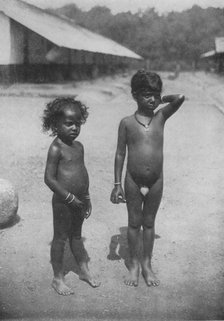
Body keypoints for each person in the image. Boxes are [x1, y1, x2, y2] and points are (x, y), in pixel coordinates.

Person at [110, 70, 185, 287]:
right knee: (134, 224)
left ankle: (147, 265)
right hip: (132, 180)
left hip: (156, 181)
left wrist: (161, 99)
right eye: (146, 94)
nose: (151, 99)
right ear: (134, 95)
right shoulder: (126, 123)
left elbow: (179, 98)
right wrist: (117, 185)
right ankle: (133, 265)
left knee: (149, 223)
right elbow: (120, 154)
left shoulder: (161, 117)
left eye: (155, 94)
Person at [42, 97, 100, 295]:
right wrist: (68, 197)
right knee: (60, 238)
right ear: (55, 124)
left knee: (76, 236)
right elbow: (49, 178)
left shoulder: (79, 147)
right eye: (68, 124)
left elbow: (82, 173)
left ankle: (83, 270)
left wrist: (87, 198)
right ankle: (58, 278)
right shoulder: (56, 148)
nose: (74, 128)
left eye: (77, 123)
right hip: (63, 202)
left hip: (80, 201)